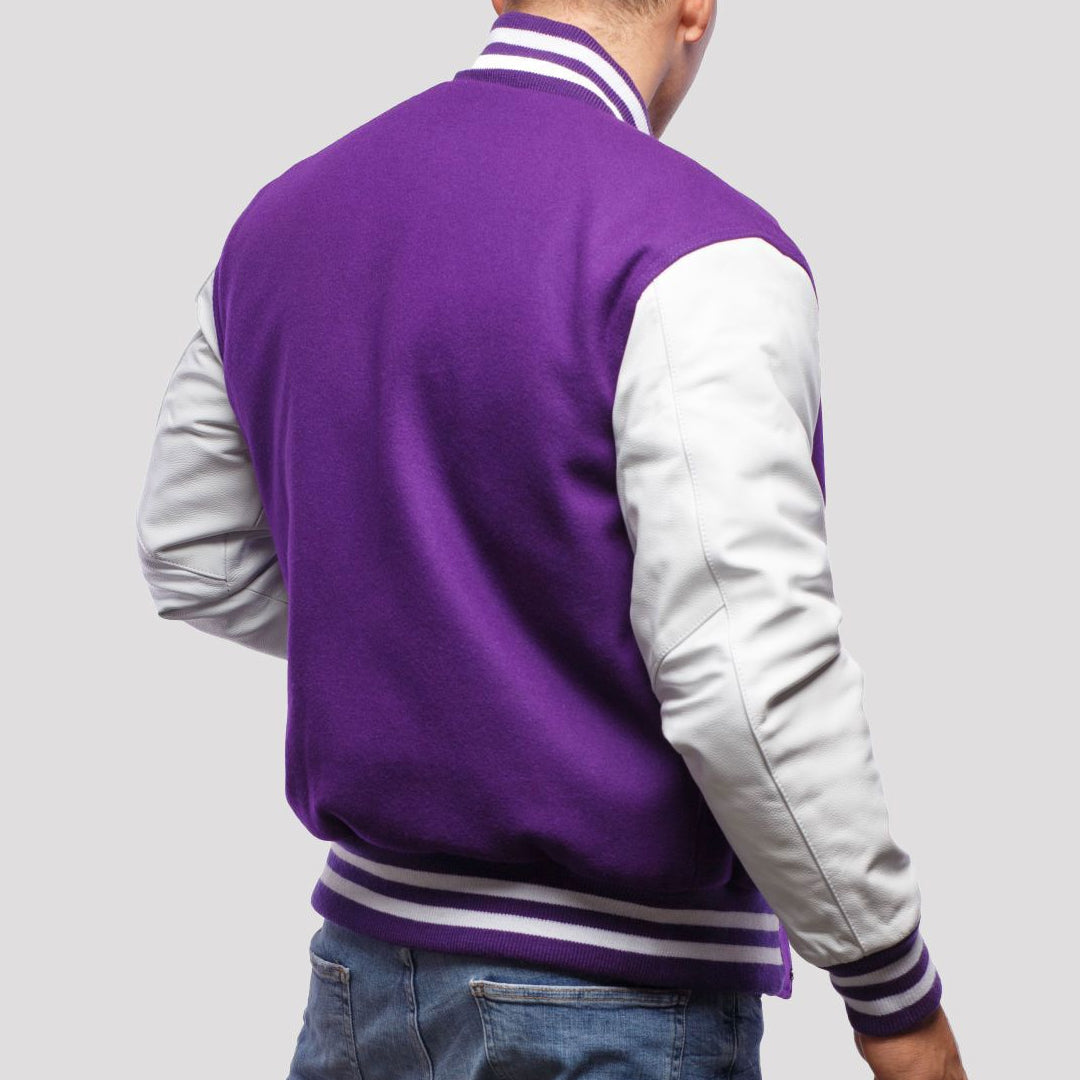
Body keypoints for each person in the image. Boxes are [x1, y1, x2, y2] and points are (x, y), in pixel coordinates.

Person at [134, 1, 967, 1076]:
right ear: (694, 7)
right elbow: (747, 678)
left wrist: (436, 639)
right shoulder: (698, 251)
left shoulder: (280, 221)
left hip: (358, 989)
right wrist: (894, 996)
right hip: (613, 1000)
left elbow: (192, 553)